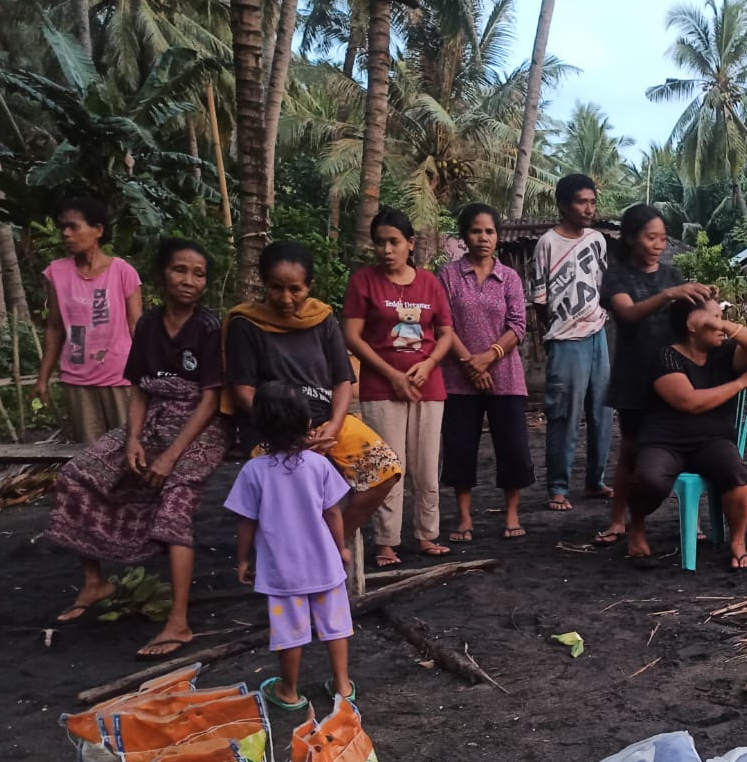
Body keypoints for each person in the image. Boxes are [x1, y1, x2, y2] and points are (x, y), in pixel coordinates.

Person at [44, 238, 230, 657]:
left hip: (202, 426)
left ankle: (179, 622)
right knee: (78, 474)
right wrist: (131, 438)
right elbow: (141, 390)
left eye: (199, 274)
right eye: (180, 270)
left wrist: (169, 456)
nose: (189, 280)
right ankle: (95, 581)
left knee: (175, 500)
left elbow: (210, 399)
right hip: (153, 418)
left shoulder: (209, 328)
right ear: (163, 274)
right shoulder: (147, 324)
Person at [224, 241, 401, 539]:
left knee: (386, 469)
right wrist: (288, 432)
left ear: (309, 286)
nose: (286, 298)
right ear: (264, 283)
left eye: (296, 289)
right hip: (272, 430)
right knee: (289, 490)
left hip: (326, 422)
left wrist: (332, 426)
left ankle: (332, 542)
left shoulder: (323, 320)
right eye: (276, 288)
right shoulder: (246, 324)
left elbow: (342, 382)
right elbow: (243, 391)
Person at [226, 382, 354, 711]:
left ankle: (289, 690)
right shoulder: (318, 464)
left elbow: (246, 522)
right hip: (325, 564)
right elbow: (333, 512)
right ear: (306, 422)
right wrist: (341, 550)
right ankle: (342, 685)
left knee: (290, 631)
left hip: (282, 571)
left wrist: (243, 560)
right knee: (335, 625)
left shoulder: (253, 471)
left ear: (261, 424)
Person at [627, 297, 747, 571]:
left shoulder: (724, 352)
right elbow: (690, 402)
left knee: (736, 473)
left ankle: (738, 544)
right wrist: (741, 382)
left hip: (712, 440)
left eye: (721, 319)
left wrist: (728, 326)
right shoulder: (664, 356)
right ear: (692, 325)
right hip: (665, 441)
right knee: (649, 480)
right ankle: (637, 526)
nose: (721, 326)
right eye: (714, 319)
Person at [595, 203, 713, 546]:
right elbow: (629, 314)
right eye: (651, 238)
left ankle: (691, 521)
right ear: (631, 238)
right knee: (631, 449)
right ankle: (619, 520)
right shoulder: (617, 275)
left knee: (681, 446)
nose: (659, 245)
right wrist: (668, 295)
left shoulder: (672, 276)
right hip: (634, 375)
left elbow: (687, 319)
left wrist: (705, 300)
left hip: (674, 374)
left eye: (663, 238)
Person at [342, 208, 455, 564]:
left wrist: (430, 363)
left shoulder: (430, 283)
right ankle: (386, 542)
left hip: (428, 386)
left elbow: (446, 333)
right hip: (381, 386)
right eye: (380, 243)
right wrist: (391, 374)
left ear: (410, 243)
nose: (386, 250)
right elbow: (352, 335)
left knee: (426, 466)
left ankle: (427, 535)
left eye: (394, 242)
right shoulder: (364, 281)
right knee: (390, 467)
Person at [436, 203, 532, 541]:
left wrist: (488, 357)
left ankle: (512, 514)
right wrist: (470, 364)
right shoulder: (448, 276)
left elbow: (518, 326)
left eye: (489, 231)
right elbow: (442, 324)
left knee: (514, 447)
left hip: (506, 376)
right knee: (461, 448)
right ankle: (463, 518)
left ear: (497, 236)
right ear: (465, 236)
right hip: (458, 378)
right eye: (476, 231)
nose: (483, 238)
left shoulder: (510, 278)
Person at [530, 173, 611, 512]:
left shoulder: (597, 240)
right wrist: (557, 333)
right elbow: (539, 300)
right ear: (563, 205)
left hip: (598, 334)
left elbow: (602, 284)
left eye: (592, 202)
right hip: (565, 340)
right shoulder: (547, 243)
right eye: (581, 202)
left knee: (603, 411)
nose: (588, 208)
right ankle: (558, 487)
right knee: (565, 414)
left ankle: (595, 481)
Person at [34, 196, 144, 444]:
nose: (65, 234)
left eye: (74, 226)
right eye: (63, 226)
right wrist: (43, 378)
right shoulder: (57, 272)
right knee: (89, 454)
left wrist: (149, 375)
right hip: (77, 381)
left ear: (98, 230)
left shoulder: (122, 271)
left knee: (128, 447)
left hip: (120, 377)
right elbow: (54, 328)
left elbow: (137, 325)